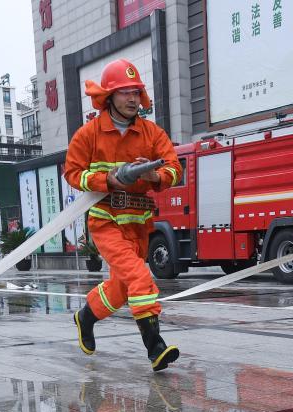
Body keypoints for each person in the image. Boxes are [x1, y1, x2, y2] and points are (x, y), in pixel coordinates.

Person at [64, 59, 183, 371]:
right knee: (140, 278)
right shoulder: (88, 135)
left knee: (121, 287)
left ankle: (85, 317)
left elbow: (174, 169)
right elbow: (73, 173)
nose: (132, 98)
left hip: (139, 223)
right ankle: (154, 345)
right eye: (124, 92)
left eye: (136, 92)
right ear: (109, 96)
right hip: (106, 220)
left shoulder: (152, 133)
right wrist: (108, 180)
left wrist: (156, 176)